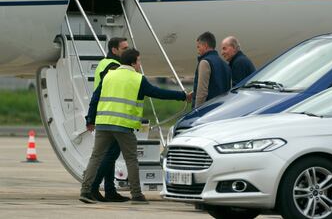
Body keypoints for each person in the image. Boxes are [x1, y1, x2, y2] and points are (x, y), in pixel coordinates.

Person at [80, 49, 191, 204]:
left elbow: (95, 97)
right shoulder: (137, 79)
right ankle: (137, 194)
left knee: (96, 157)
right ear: (133, 63)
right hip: (123, 126)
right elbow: (158, 92)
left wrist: (90, 118)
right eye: (139, 61)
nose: (140, 64)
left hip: (103, 123)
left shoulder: (108, 76)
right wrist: (182, 96)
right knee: (131, 159)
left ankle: (85, 190)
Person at [89, 37, 130, 202]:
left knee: (109, 154)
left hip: (104, 113)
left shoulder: (104, 62)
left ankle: (110, 190)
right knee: (110, 153)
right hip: (110, 115)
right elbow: (99, 92)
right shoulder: (113, 67)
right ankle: (93, 187)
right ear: (114, 50)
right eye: (124, 48)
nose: (128, 51)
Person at [192, 32, 231, 108]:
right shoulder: (225, 65)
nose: (198, 50)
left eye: (198, 47)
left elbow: (202, 93)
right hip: (221, 109)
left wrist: (196, 111)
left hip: (207, 111)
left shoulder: (205, 62)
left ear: (205, 46)